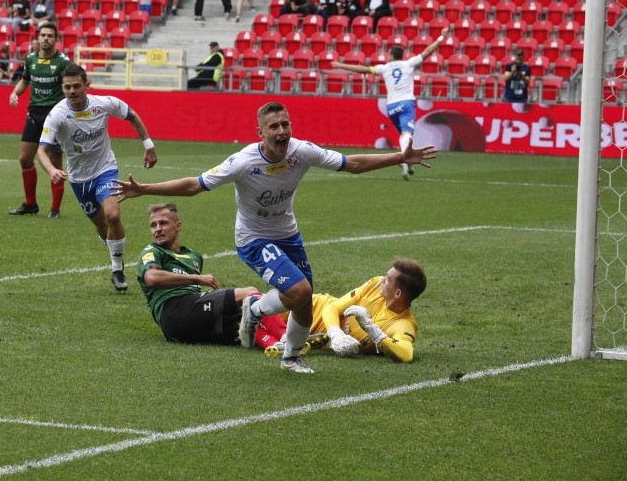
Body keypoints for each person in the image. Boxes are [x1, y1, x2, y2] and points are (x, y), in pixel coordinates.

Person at [113, 102, 437, 373]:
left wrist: (399, 157)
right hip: (253, 239)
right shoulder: (242, 162)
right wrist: (145, 189)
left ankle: (282, 348)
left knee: (303, 302)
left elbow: (351, 163)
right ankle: (273, 332)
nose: (281, 131)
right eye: (274, 127)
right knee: (300, 290)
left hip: (288, 235)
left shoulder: (302, 151)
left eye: (285, 124)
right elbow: (194, 185)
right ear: (261, 133)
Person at [37, 63, 157, 291]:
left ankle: (117, 269)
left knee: (112, 216)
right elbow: (41, 150)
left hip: (105, 169)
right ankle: (114, 249)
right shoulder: (57, 115)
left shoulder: (103, 104)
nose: (72, 92)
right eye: (67, 88)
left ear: (86, 85)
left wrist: (148, 145)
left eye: (77, 87)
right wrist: (52, 170)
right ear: (62, 88)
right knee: (102, 225)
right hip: (79, 178)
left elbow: (131, 115)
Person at [256, 258, 427, 363]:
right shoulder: (375, 285)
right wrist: (335, 333)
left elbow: (406, 354)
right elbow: (333, 307)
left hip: (309, 330)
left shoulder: (402, 323)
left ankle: (286, 340)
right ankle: (284, 339)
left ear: (398, 293)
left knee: (244, 320)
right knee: (251, 300)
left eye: (388, 279)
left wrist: (372, 329)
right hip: (313, 307)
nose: (382, 280)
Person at [138, 202, 261, 344]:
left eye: (163, 223)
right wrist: (196, 278)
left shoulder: (194, 257)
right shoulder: (152, 251)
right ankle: (284, 340)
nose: (157, 229)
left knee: (252, 320)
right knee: (251, 294)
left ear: (177, 226)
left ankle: (277, 344)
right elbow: (152, 278)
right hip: (173, 311)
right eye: (153, 225)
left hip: (189, 322)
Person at [331, 32, 446, 180]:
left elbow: (363, 69)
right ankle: (404, 159)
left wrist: (340, 65)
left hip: (391, 107)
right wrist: (441, 37)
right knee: (407, 134)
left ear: (391, 55)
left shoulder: (384, 68)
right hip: (406, 103)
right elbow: (427, 51)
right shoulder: (409, 63)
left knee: (404, 135)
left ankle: (406, 159)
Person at [8, 22, 71, 219]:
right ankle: (30, 204)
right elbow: (25, 80)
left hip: (54, 116)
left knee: (54, 162)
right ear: (38, 38)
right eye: (43, 35)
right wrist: (15, 92)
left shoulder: (62, 62)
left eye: (50, 36)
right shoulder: (30, 59)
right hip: (34, 114)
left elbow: (71, 82)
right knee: (25, 159)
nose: (45, 39)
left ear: (55, 39)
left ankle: (55, 209)